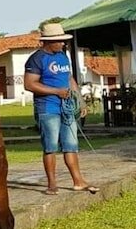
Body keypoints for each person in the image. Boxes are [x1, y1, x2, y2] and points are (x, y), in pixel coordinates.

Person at [24, 23, 99, 195]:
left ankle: (78, 180)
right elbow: (29, 84)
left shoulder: (63, 57)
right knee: (50, 146)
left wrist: (80, 100)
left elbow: (69, 79)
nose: (63, 44)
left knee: (71, 144)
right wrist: (56, 91)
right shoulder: (36, 59)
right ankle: (52, 184)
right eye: (60, 41)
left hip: (66, 109)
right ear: (49, 42)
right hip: (47, 108)